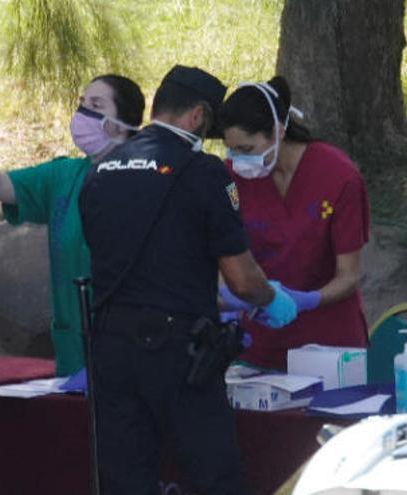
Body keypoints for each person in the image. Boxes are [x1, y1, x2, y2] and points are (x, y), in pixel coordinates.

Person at [78, 65, 298, 494]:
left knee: (126, 479)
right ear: (197, 116)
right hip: (176, 353)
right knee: (214, 475)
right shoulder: (201, 172)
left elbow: (130, 266)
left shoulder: (101, 170)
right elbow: (240, 277)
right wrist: (269, 298)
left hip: (109, 351)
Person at [0, 74, 145, 376]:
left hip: (129, 347)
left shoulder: (145, 182)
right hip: (72, 347)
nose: (83, 114)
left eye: (96, 105)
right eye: (81, 103)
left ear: (123, 124)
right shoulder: (64, 176)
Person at [218, 76, 370, 370]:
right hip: (259, 344)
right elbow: (222, 254)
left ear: (276, 131)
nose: (238, 160)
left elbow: (348, 276)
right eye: (231, 150)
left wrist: (307, 300)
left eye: (246, 150)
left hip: (330, 346)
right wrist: (233, 299)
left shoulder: (339, 177)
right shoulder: (231, 178)